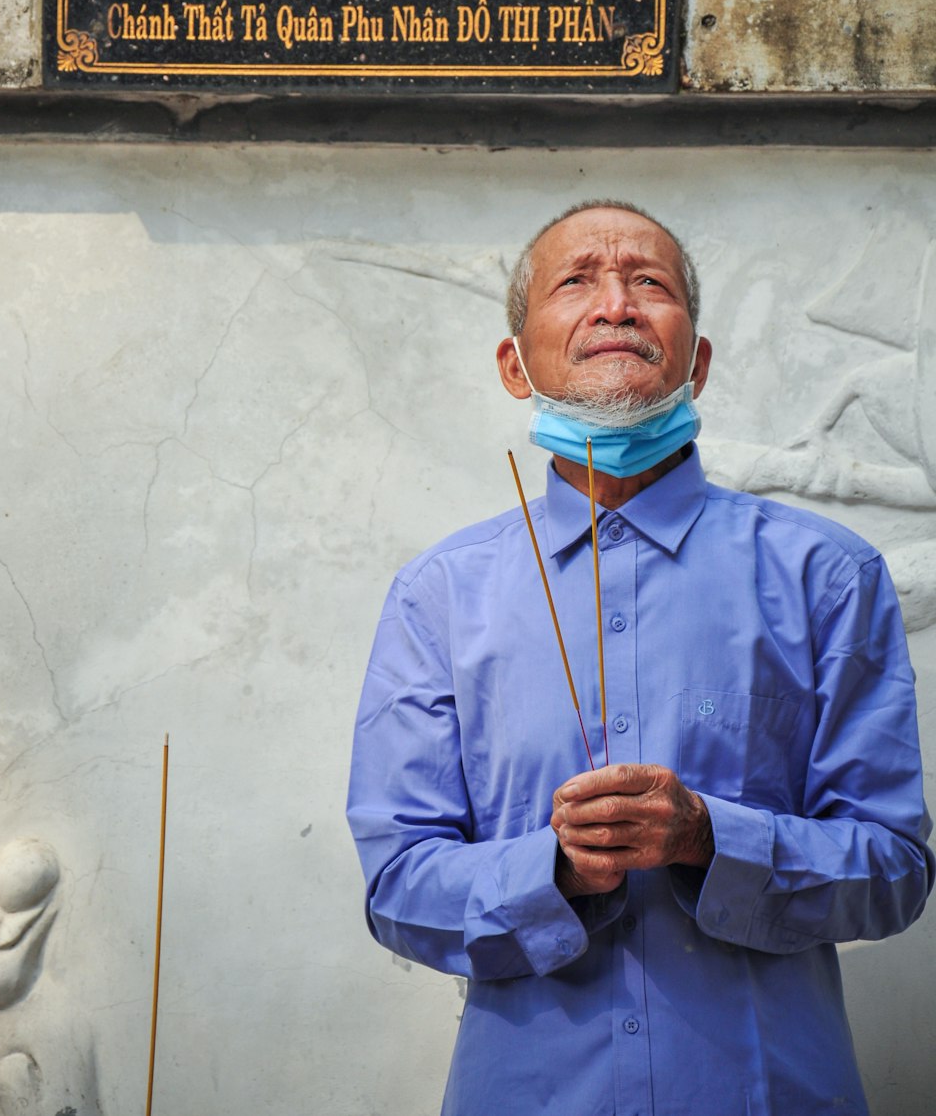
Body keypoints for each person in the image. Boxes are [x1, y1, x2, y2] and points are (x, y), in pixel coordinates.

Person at [347, 200, 933, 1116]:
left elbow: (895, 871)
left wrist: (710, 836)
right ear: (515, 364)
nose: (615, 303)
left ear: (695, 361)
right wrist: (555, 871)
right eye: (576, 280)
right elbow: (397, 887)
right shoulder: (441, 595)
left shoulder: (826, 574)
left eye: (648, 283)